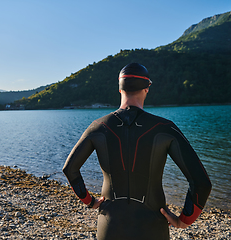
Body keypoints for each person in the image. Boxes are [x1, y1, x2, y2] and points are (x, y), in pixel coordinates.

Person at [62, 63, 212, 240]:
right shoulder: (164, 128)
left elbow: (70, 169)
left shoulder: (98, 126)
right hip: (152, 227)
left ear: (120, 89)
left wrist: (90, 201)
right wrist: (184, 220)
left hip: (109, 226)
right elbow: (201, 182)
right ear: (147, 88)